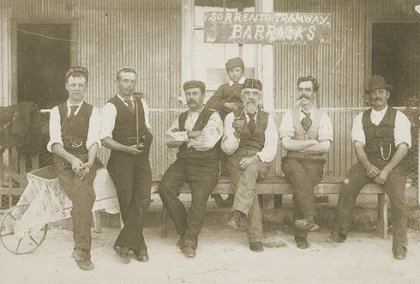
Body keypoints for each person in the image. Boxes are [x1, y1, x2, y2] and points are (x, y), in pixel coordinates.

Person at [327, 75, 411, 260]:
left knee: (398, 200)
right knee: (348, 185)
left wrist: (387, 170)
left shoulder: (400, 117)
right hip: (368, 162)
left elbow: (403, 147)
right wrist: (367, 166)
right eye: (373, 93)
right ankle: (339, 232)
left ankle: (399, 246)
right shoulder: (360, 118)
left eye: (380, 92)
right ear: (369, 96)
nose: (377, 96)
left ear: (387, 94)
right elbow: (358, 145)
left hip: (393, 165)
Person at [159, 80, 223, 258]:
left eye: (195, 94)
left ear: (203, 96)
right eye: (188, 94)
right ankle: (184, 229)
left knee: (200, 197)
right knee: (165, 188)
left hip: (207, 164)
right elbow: (169, 140)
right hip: (183, 162)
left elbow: (208, 143)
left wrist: (182, 138)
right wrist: (190, 135)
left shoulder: (213, 116)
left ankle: (189, 241)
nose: (191, 98)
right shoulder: (181, 117)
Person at [48, 66, 102, 271]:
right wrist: (72, 160)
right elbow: (54, 143)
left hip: (86, 160)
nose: (77, 89)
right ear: (66, 87)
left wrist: (88, 162)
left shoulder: (93, 111)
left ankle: (81, 250)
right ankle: (82, 251)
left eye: (81, 85)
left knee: (81, 193)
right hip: (64, 161)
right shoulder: (56, 111)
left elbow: (94, 141)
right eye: (73, 85)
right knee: (83, 195)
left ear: (85, 87)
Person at [101, 68, 153, 264]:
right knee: (128, 202)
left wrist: (143, 144)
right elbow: (105, 139)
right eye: (125, 81)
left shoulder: (141, 103)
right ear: (117, 82)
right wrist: (127, 149)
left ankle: (123, 242)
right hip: (120, 161)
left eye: (132, 81)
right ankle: (140, 246)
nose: (129, 85)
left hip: (140, 159)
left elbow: (147, 128)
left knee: (144, 200)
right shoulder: (110, 107)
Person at [223, 79, 278, 252]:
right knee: (249, 188)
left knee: (251, 171)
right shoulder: (232, 117)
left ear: (260, 98)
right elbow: (227, 149)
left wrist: (255, 158)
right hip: (236, 162)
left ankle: (237, 213)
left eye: (255, 94)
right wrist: (236, 134)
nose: (251, 98)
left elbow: (271, 148)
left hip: (260, 161)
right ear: (241, 96)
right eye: (247, 93)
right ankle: (255, 239)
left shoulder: (268, 118)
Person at [279, 76, 333, 249]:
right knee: (300, 177)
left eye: (308, 89)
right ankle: (309, 219)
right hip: (292, 161)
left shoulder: (323, 117)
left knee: (303, 183)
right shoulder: (289, 115)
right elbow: (286, 144)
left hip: (315, 163)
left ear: (315, 93)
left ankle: (303, 228)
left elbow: (325, 147)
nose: (303, 93)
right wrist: (311, 142)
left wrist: (298, 146)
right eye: (300, 89)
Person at [206, 57, 246, 207]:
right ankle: (219, 194)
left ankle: (234, 195)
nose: (234, 74)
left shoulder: (247, 85)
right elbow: (211, 103)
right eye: (231, 71)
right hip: (226, 125)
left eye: (237, 70)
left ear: (242, 70)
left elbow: (253, 102)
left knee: (239, 156)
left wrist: (239, 107)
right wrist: (225, 104)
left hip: (243, 124)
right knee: (223, 156)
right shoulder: (224, 88)